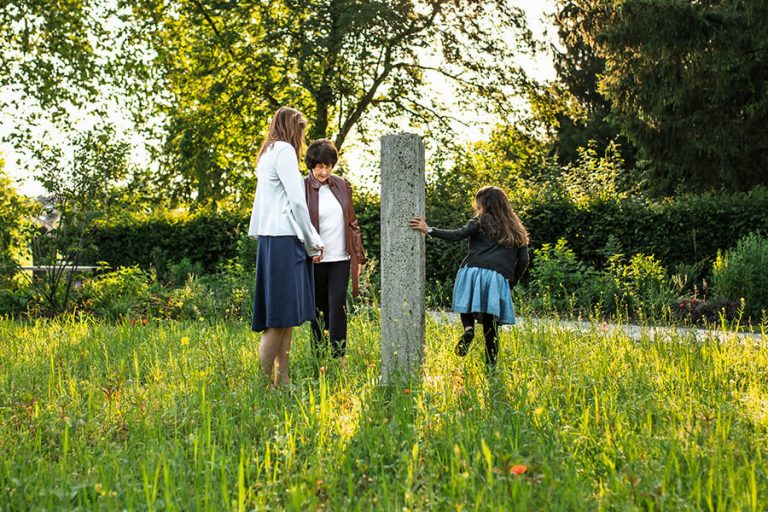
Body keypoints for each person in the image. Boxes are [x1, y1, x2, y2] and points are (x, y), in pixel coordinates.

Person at [409, 186, 529, 366]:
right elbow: (524, 260)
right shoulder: (516, 229)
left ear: (485, 205)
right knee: (491, 324)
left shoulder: (479, 222)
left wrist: (429, 230)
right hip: (496, 277)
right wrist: (511, 281)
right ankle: (491, 366)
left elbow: (457, 235)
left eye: (479, 206)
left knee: (466, 304)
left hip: (471, 271)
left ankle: (469, 329)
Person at [248, 107, 325, 386]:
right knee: (279, 318)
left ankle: (283, 380)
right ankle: (263, 383)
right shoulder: (284, 152)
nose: (303, 138)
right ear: (294, 129)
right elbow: (296, 202)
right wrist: (314, 240)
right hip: (284, 240)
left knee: (287, 316)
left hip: (272, 240)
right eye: (302, 130)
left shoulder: (267, 153)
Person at [304, 139, 366, 365]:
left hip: (341, 257)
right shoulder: (302, 188)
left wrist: (358, 257)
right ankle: (319, 357)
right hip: (316, 259)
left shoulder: (342, 185)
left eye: (328, 166)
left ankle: (339, 356)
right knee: (319, 309)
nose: (323, 171)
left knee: (337, 304)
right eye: (319, 166)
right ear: (311, 165)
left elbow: (353, 223)